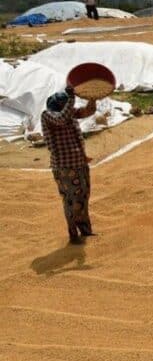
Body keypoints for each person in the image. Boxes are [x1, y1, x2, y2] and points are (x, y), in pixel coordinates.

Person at [42, 87, 97, 244]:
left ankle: (85, 231)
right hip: (65, 167)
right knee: (71, 200)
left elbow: (88, 111)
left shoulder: (69, 114)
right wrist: (72, 98)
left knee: (83, 197)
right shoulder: (47, 116)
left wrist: (92, 98)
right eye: (67, 104)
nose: (71, 107)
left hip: (79, 163)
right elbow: (61, 119)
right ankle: (73, 234)